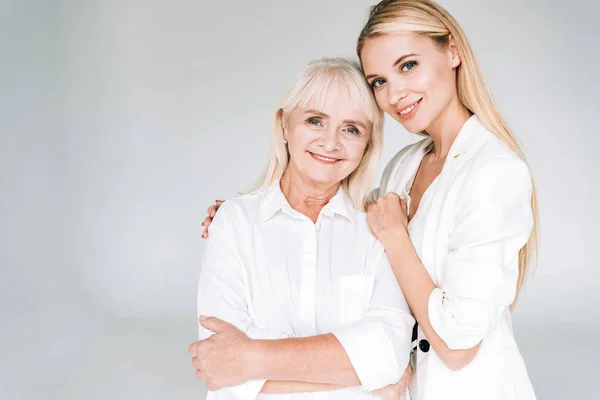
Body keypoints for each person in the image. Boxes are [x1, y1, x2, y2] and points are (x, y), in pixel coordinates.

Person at [201, 1, 539, 398]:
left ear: (452, 50)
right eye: (379, 81)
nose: (395, 93)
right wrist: (243, 218)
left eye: (408, 65)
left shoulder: (494, 169)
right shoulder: (407, 165)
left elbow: (457, 347)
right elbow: (337, 208)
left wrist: (252, 360)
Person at [188, 57, 415, 400]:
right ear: (284, 125)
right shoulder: (233, 222)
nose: (330, 142)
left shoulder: (379, 227)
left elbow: (389, 351)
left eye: (352, 129)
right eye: (314, 121)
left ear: (368, 143)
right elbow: (221, 367)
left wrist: (250, 360)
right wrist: (361, 370)